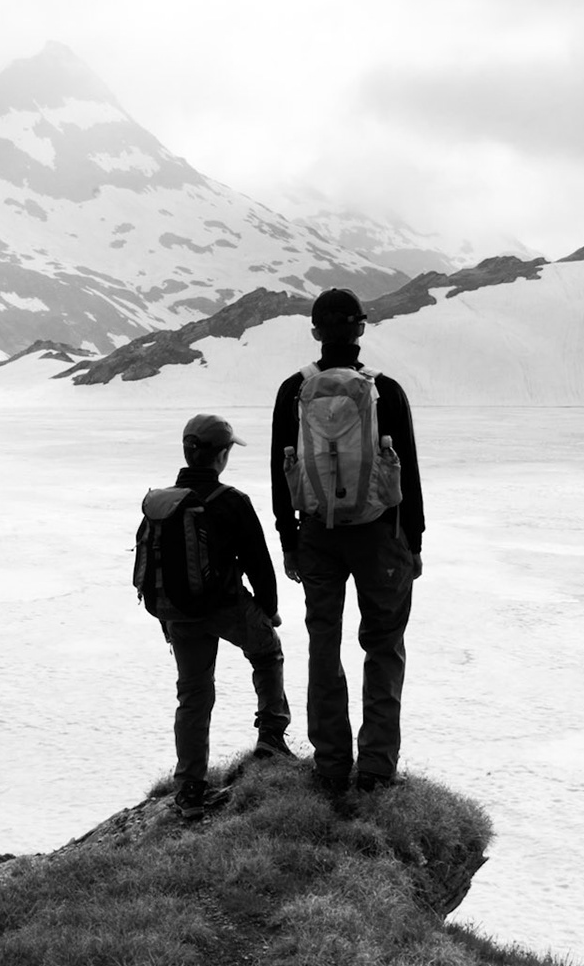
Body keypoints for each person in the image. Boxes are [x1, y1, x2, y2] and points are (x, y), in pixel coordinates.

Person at [270, 288, 425, 800]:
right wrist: (414, 541)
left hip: (317, 534)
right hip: (380, 535)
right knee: (383, 646)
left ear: (316, 332)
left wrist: (289, 539)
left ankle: (332, 766)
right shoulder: (386, 392)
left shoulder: (294, 390)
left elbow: (280, 468)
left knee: (323, 644)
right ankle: (377, 770)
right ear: (361, 329)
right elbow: (410, 472)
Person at [160, 414, 295, 818]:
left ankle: (189, 790)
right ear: (220, 456)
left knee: (194, 694)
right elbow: (258, 562)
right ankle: (271, 736)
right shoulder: (232, 501)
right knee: (267, 652)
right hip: (226, 607)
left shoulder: (163, 501)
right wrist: (268, 611)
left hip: (179, 615)